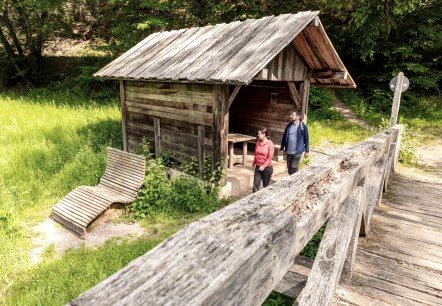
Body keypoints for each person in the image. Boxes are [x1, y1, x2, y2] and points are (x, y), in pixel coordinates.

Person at [252, 128, 274, 193]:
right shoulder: (258, 142)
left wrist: (264, 166)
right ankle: (253, 201)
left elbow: (270, 157)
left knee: (266, 186)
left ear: (264, 134)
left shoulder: (270, 144)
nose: (257, 135)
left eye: (259, 134)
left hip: (267, 168)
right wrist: (254, 163)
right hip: (258, 167)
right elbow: (256, 154)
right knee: (255, 185)